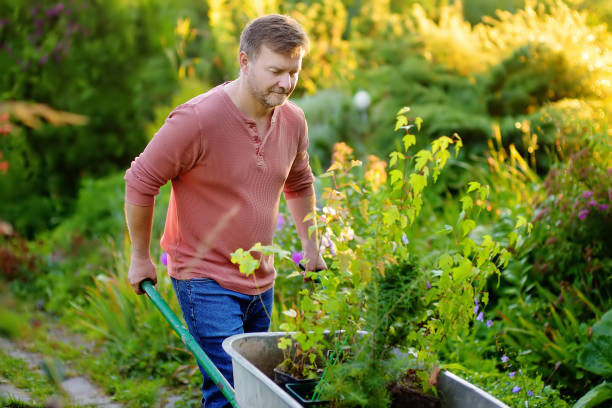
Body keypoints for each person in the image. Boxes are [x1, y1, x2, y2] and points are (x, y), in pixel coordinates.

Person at [124, 14, 326, 408]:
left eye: (294, 71)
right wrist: (139, 257)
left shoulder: (293, 120)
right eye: (276, 71)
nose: (286, 83)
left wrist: (311, 247)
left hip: (260, 279)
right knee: (235, 390)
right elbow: (140, 180)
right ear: (245, 61)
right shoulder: (197, 119)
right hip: (204, 278)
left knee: (245, 390)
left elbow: (299, 183)